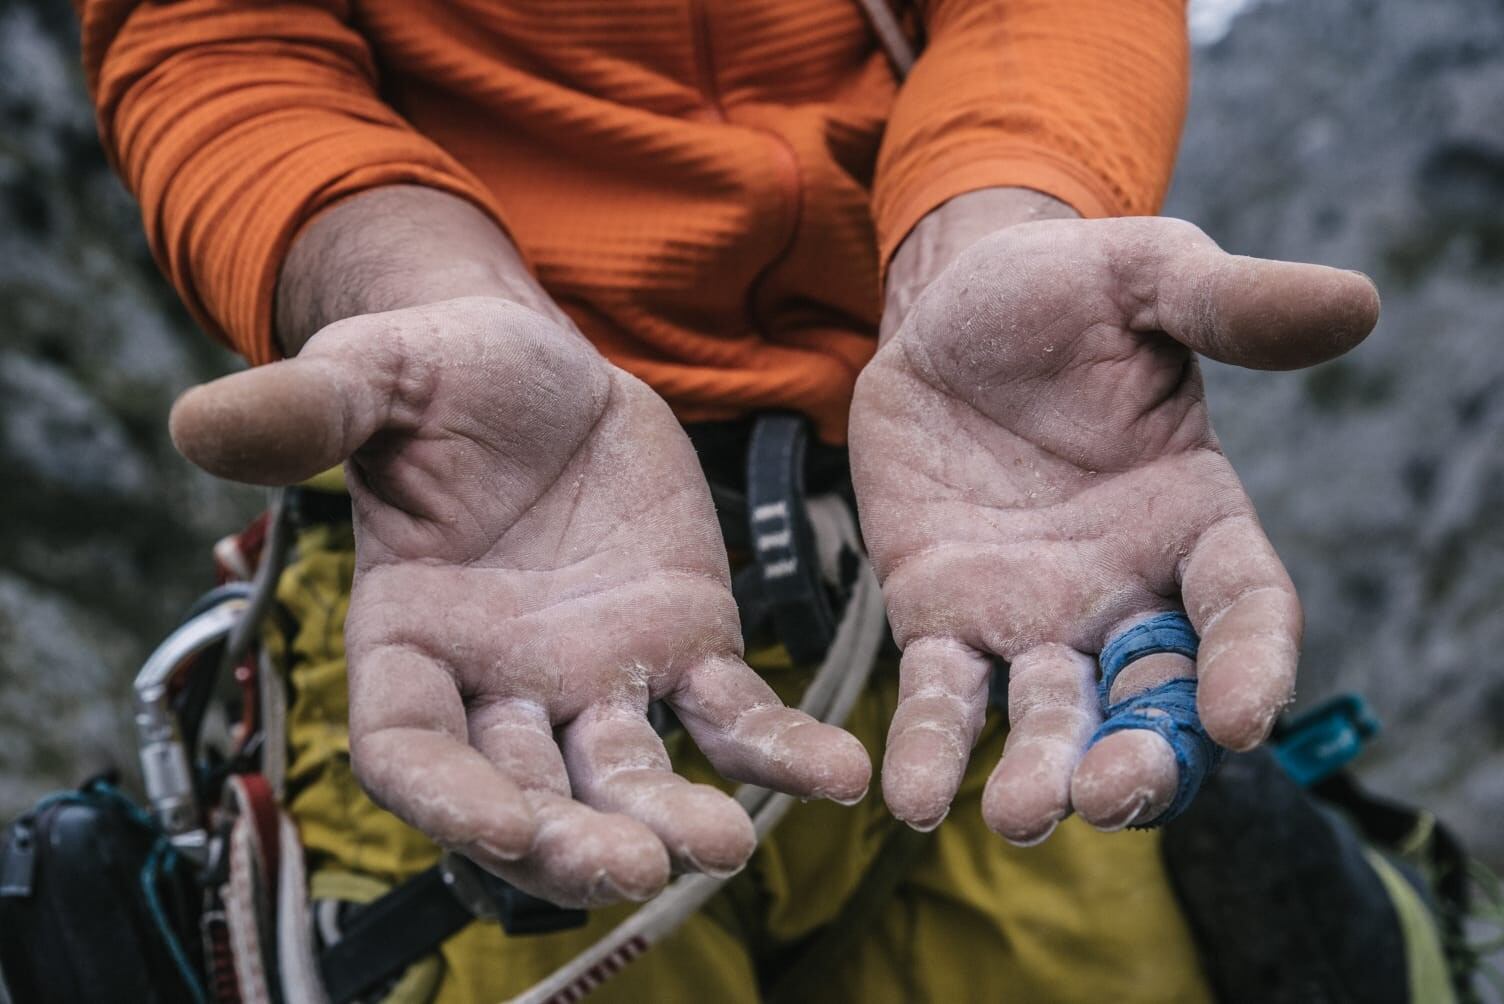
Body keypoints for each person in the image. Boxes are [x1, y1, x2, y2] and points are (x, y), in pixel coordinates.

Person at [75, 1, 1412, 1000]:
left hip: (945, 592)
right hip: (485, 569)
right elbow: (215, 36)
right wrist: (419, 294)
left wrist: (994, 224)